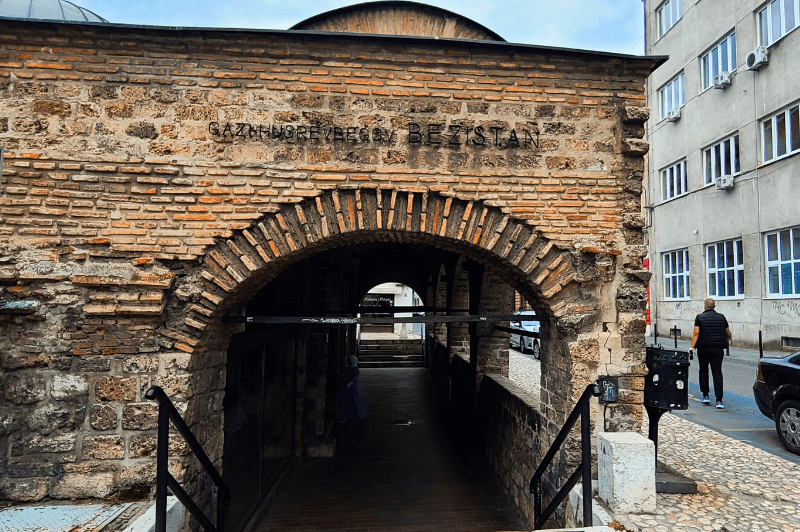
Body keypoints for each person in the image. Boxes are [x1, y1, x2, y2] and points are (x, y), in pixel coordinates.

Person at [689, 298, 732, 409]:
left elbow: (696, 333)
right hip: (718, 349)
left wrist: (692, 347)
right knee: (717, 372)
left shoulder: (700, 317)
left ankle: (705, 395)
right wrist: (728, 339)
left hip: (703, 348)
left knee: (703, 370)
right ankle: (719, 400)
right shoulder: (721, 317)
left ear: (705, 306)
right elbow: (728, 332)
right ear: (714, 306)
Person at [336, 355, 368, 421]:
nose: (349, 362)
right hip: (347, 387)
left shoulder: (355, 369)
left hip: (352, 388)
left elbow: (354, 379)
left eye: (350, 361)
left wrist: (347, 385)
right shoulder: (347, 368)